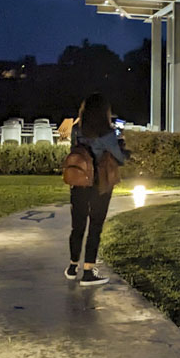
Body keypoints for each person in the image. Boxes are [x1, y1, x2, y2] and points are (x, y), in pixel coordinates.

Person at [66, 92, 127, 286]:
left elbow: (73, 150)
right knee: (95, 226)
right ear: (103, 112)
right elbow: (120, 158)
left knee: (78, 225)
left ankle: (72, 266)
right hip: (99, 184)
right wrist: (123, 147)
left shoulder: (77, 129)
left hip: (79, 181)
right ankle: (88, 271)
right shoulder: (106, 133)